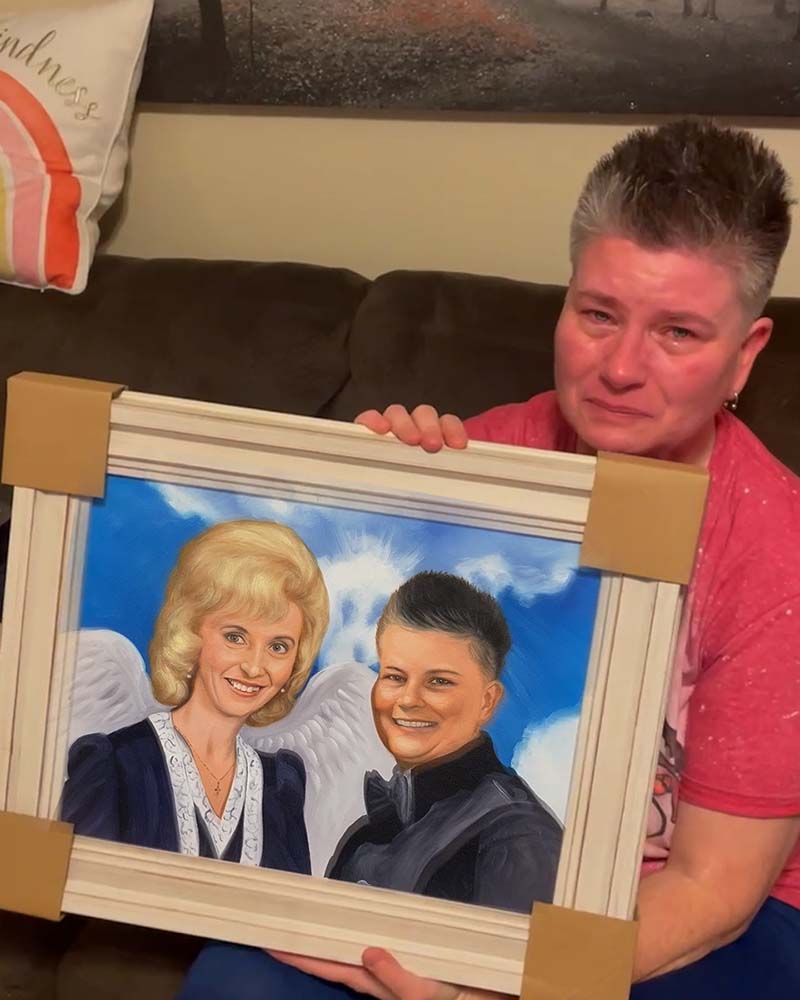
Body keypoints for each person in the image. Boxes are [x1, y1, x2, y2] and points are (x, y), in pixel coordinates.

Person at [178, 120, 800, 999]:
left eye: (678, 334)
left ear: (746, 354)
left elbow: (715, 891)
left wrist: (492, 985)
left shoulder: (777, 551)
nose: (621, 368)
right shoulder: (486, 467)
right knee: (234, 986)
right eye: (598, 315)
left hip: (693, 898)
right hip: (473, 869)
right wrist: (362, 495)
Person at [62, 519, 329, 874]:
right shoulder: (114, 763)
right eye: (235, 637)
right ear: (190, 633)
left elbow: (294, 917)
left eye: (278, 646)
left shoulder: (281, 784)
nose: (254, 666)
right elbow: (70, 894)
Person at [327, 571, 562, 913]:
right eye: (394, 676)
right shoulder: (369, 831)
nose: (408, 699)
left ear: (487, 701)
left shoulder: (518, 838)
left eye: (438, 681)